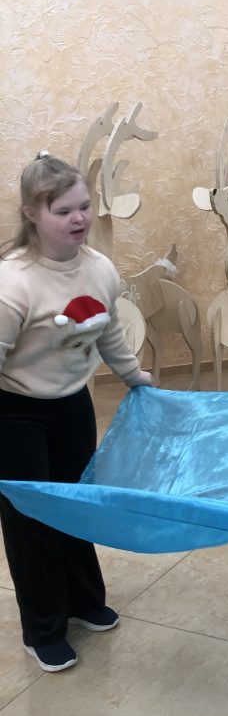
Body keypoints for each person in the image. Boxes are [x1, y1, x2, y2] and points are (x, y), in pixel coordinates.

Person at [0, 152, 152, 673]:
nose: (79, 218)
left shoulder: (99, 268)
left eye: (83, 206)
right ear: (31, 214)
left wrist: (134, 376)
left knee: (75, 504)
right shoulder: (13, 283)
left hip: (71, 405)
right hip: (14, 413)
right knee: (30, 520)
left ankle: (85, 600)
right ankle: (43, 629)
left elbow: (108, 331)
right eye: (63, 210)